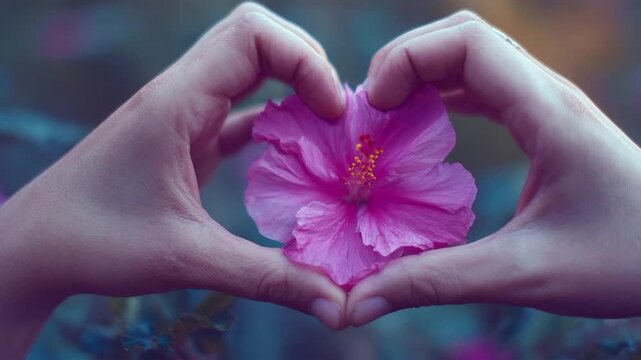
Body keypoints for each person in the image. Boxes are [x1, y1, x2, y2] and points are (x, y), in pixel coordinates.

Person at [0, 3, 639, 357]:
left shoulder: (400, 178)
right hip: (329, 213)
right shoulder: (330, 171)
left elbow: (428, 209)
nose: (363, 169)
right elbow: (284, 188)